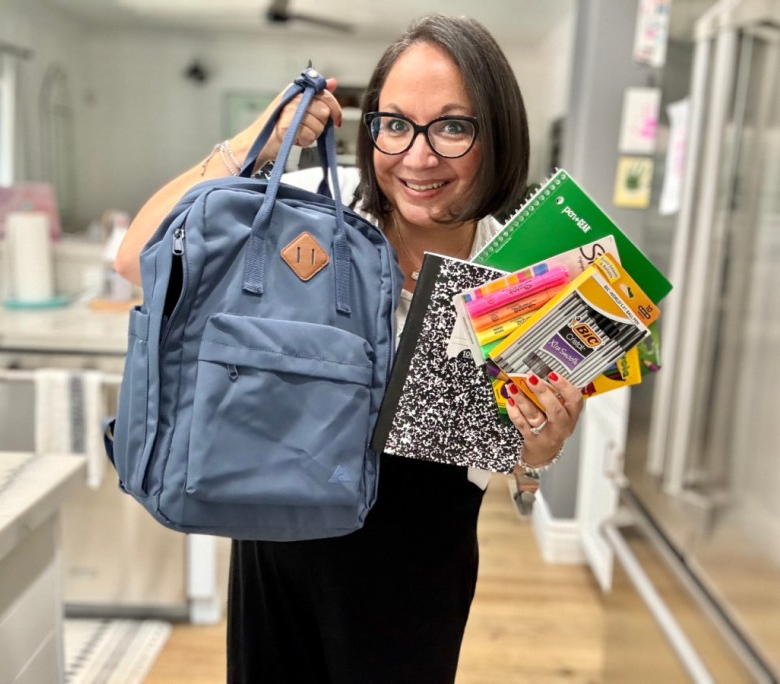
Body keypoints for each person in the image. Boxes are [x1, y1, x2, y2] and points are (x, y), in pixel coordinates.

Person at [116, 14, 583, 683]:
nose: (418, 157)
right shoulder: (308, 208)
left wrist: (539, 449)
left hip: (419, 563)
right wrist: (254, 141)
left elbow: (520, 455)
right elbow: (136, 257)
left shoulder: (526, 274)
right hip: (278, 535)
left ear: (497, 134)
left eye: (452, 126)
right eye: (394, 124)